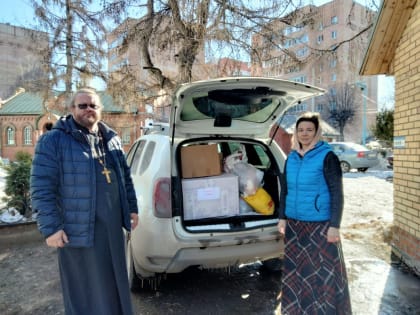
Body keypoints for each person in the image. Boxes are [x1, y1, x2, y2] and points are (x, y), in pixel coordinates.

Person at [30, 87, 139, 315]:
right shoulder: (54, 141)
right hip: (78, 229)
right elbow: (41, 187)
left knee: (115, 282)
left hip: (112, 229)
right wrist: (51, 228)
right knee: (85, 290)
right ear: (72, 109)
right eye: (83, 105)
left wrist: (131, 208)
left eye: (93, 105)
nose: (88, 109)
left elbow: (124, 178)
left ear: (100, 110)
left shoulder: (111, 138)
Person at [278, 112, 352, 314]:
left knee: (321, 275)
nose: (304, 134)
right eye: (300, 130)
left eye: (309, 130)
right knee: (296, 274)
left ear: (317, 132)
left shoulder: (327, 157)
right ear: (296, 132)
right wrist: (282, 217)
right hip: (295, 225)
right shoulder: (291, 158)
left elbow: (337, 193)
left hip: (320, 226)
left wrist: (334, 226)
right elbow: (285, 190)